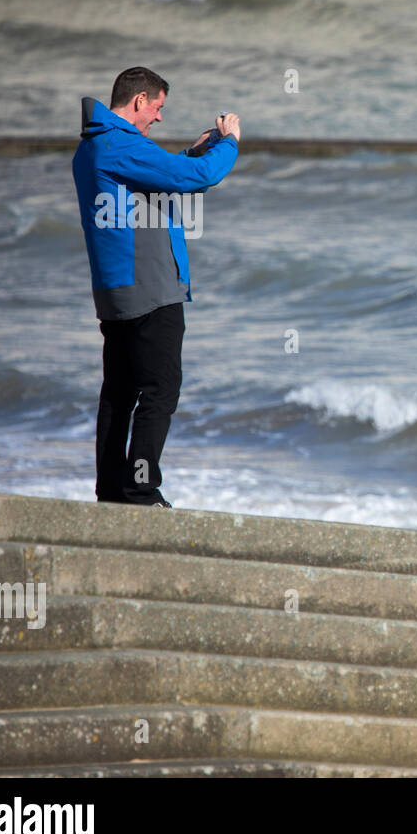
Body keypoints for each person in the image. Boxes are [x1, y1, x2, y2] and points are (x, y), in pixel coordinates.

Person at [71, 67, 241, 506]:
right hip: (150, 288)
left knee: (120, 393)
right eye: (159, 108)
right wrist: (229, 144)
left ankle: (111, 489)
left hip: (117, 290)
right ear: (140, 100)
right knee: (160, 389)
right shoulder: (119, 143)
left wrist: (194, 151)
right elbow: (194, 179)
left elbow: (159, 175)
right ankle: (141, 490)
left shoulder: (95, 145)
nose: (159, 118)